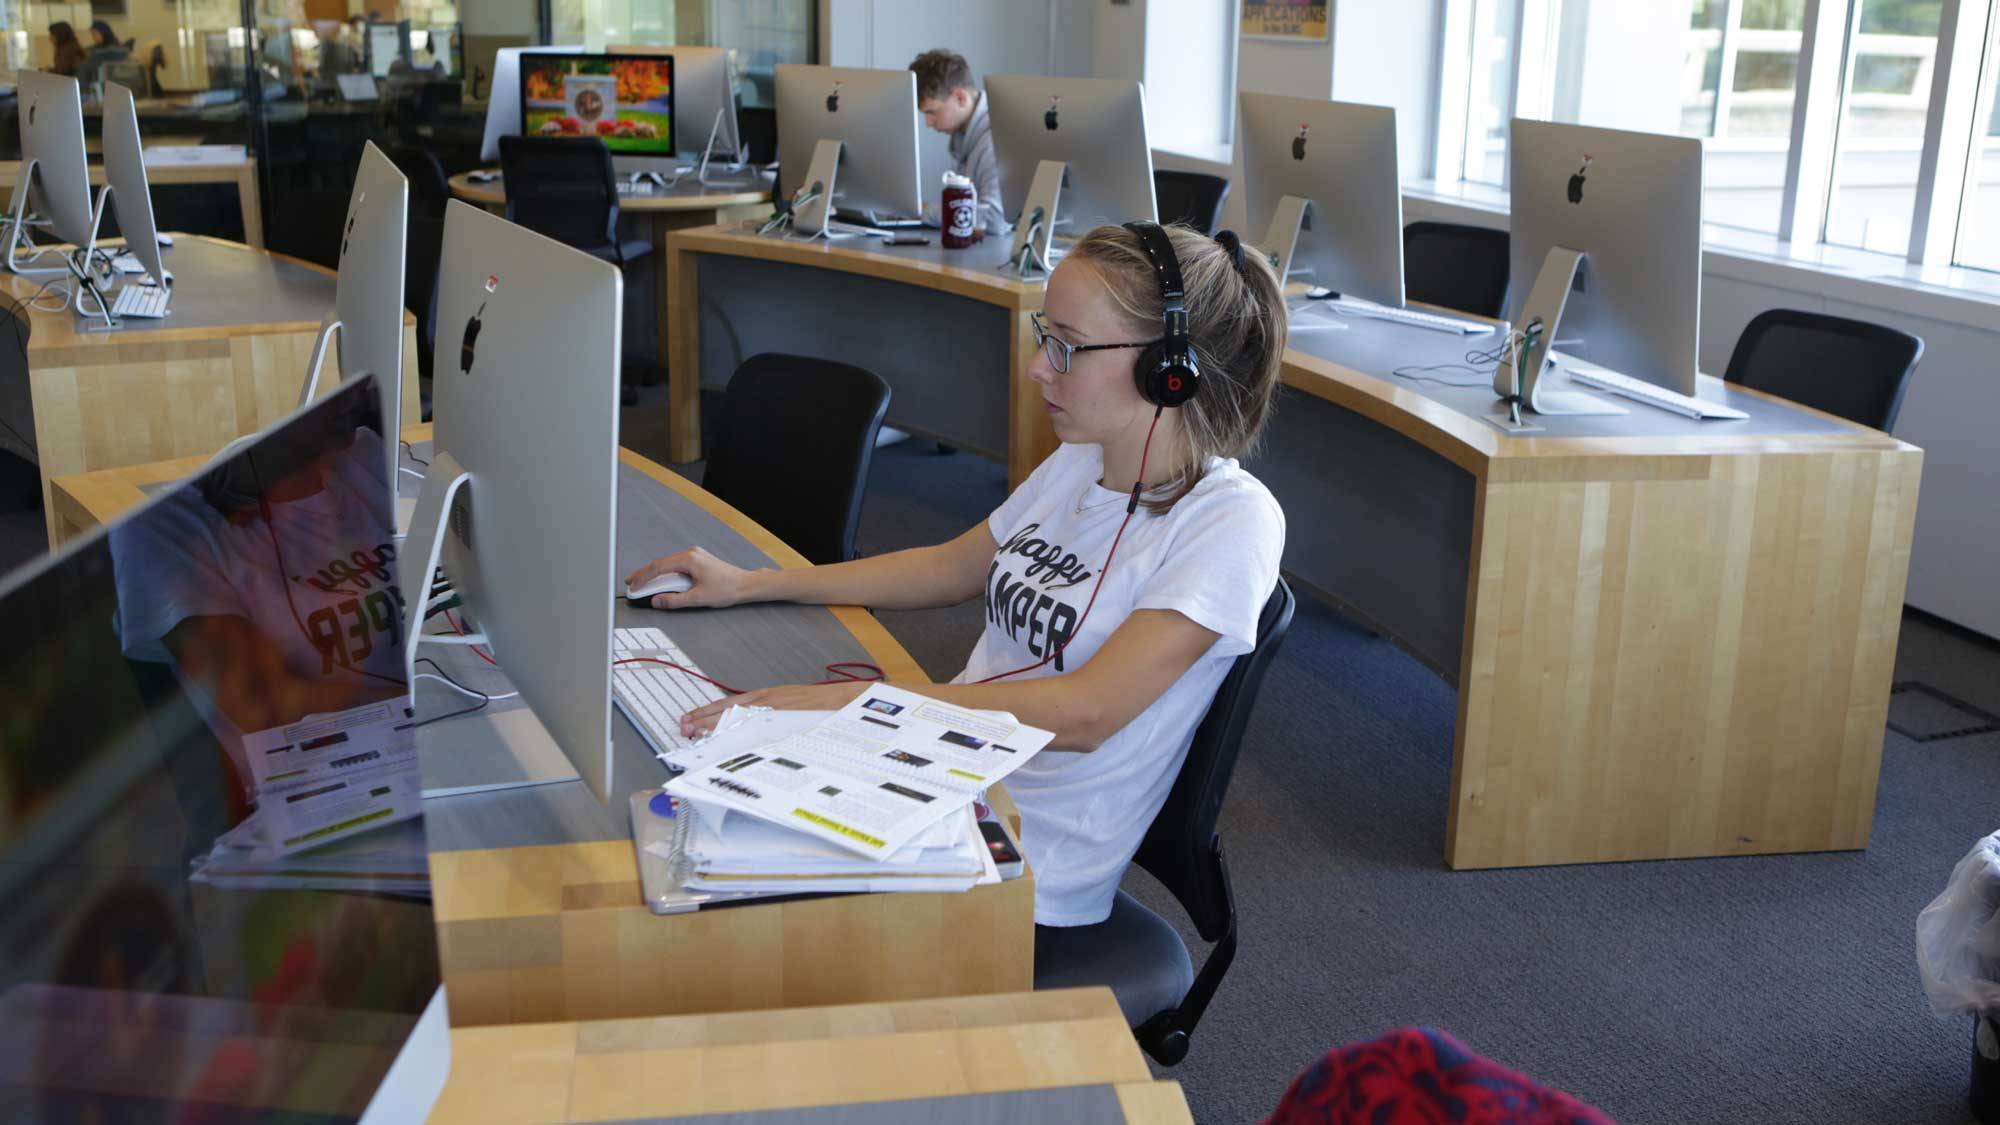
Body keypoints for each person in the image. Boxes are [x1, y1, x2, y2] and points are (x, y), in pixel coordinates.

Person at [626, 222, 1289, 929]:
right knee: (678, 815)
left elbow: (1089, 712)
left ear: (1169, 367)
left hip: (1020, 862)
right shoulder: (1083, 458)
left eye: (1066, 344)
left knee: (701, 901)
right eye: (1046, 334)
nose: (1039, 366)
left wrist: (862, 708)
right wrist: (748, 581)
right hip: (925, 771)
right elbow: (951, 565)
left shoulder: (1230, 521)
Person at [909, 49, 1006, 235]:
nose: (928, 123)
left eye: (932, 112)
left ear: (960, 98)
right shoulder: (961, 133)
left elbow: (995, 218)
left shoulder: (996, 139)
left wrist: (922, 211)